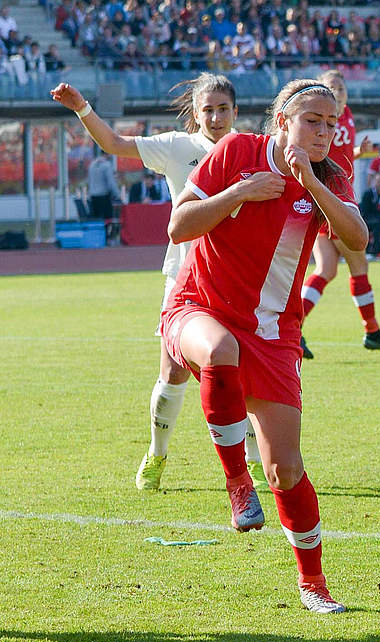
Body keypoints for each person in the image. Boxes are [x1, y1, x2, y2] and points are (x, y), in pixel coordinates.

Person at [164, 78, 368, 613]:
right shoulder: (237, 151)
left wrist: (312, 182)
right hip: (198, 309)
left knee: (287, 469)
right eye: (312, 121)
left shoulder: (330, 174)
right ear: (283, 121)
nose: (324, 132)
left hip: (275, 336)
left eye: (331, 124)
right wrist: (238, 193)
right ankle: (236, 483)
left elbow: (357, 238)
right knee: (219, 350)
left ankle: (314, 583)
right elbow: (178, 225)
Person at [51, 74, 271, 494]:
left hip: (241, 279)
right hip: (186, 278)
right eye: (208, 109)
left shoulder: (253, 150)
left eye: (224, 108)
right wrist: (82, 107)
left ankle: (254, 460)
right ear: (196, 114)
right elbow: (115, 144)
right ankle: (157, 453)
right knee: (172, 371)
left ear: (236, 111)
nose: (216, 116)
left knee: (243, 370)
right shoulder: (177, 147)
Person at [297, 68, 380, 359]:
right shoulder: (325, 118)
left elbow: (337, 151)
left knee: (326, 270)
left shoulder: (343, 116)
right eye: (333, 87)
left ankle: (295, 328)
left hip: (329, 196)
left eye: (342, 88)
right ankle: (371, 332)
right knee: (359, 265)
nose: (339, 92)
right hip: (334, 198)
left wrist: (357, 151)